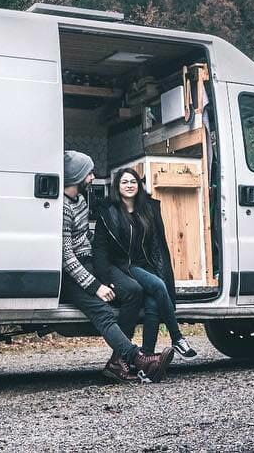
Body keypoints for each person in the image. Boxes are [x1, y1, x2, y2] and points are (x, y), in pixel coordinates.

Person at [60, 151, 174, 383]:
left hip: (89, 262)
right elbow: (65, 256)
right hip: (71, 273)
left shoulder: (80, 200)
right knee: (102, 311)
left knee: (133, 290)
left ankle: (117, 362)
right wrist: (96, 286)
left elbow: (87, 240)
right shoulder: (61, 208)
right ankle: (137, 358)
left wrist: (105, 271)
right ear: (77, 176)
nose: (92, 178)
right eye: (89, 174)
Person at [93, 167, 198, 359]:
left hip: (146, 265)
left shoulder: (148, 210)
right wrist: (104, 278)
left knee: (153, 304)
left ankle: (147, 358)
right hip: (126, 266)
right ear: (117, 186)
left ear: (139, 186)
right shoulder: (108, 214)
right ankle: (177, 337)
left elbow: (158, 245)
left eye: (133, 182)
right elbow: (99, 249)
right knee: (158, 286)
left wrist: (161, 269)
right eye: (124, 182)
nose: (129, 185)